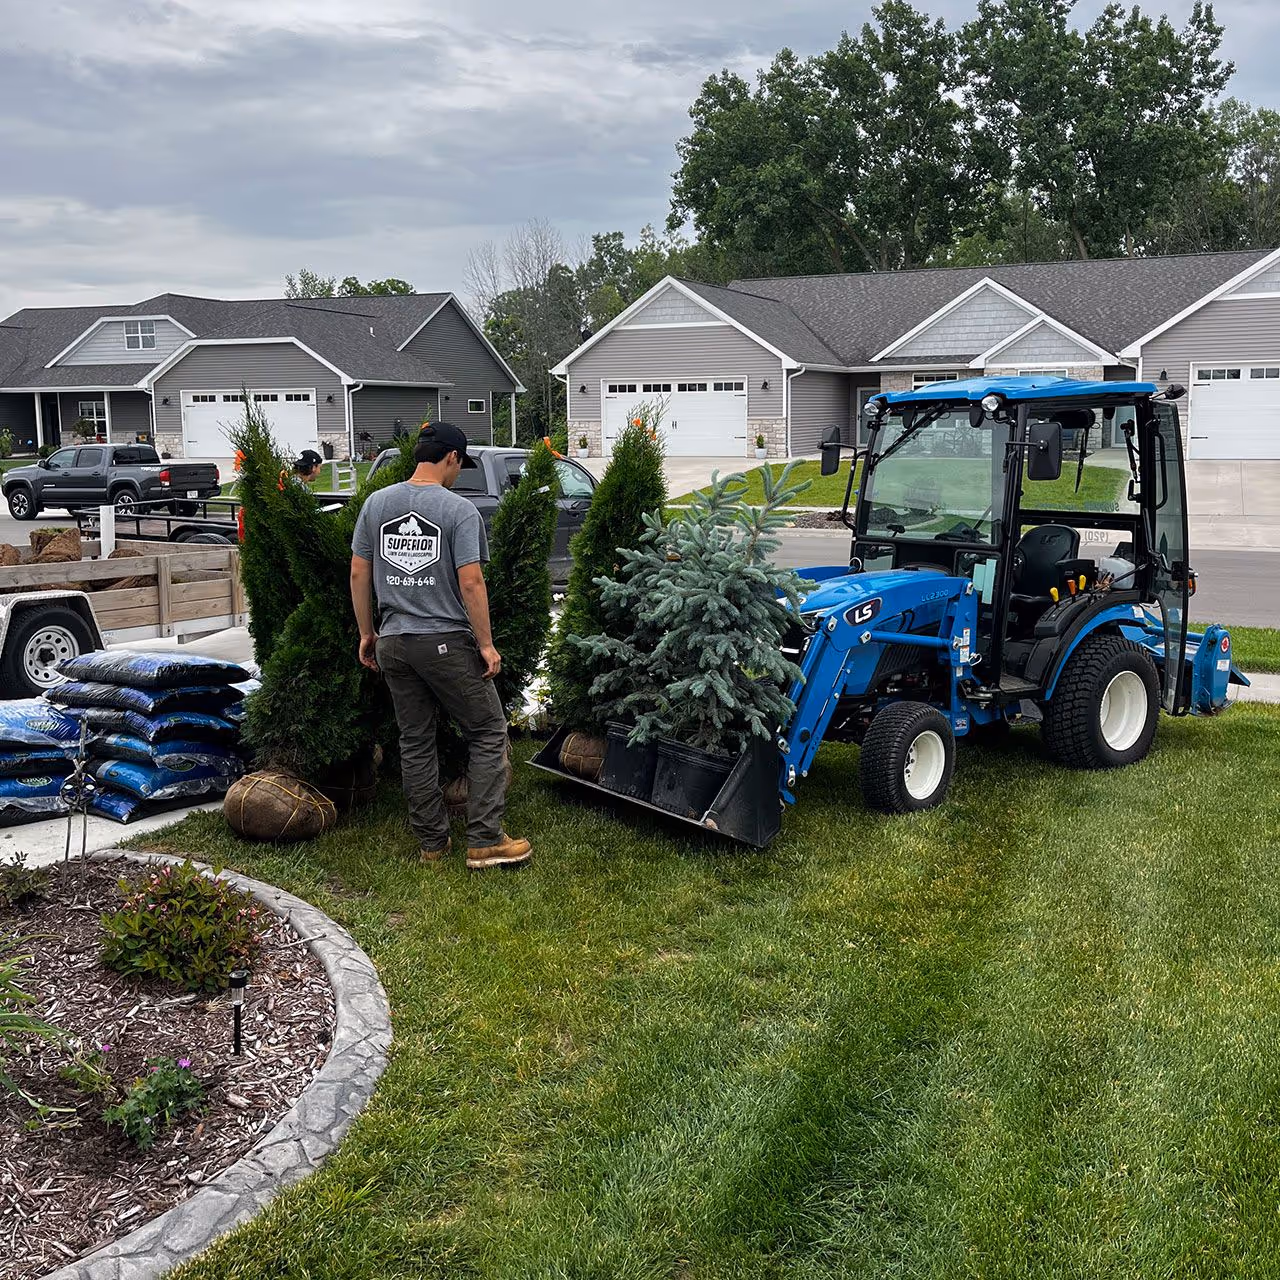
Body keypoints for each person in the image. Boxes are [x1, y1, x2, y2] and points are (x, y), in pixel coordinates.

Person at [349, 423, 531, 870]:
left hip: (393, 641)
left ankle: (432, 843)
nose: (457, 473)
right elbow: (471, 582)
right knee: (488, 731)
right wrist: (486, 644)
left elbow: (358, 573)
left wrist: (367, 633)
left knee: (414, 741)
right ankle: (485, 839)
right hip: (444, 641)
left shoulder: (376, 504)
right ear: (451, 457)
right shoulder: (459, 510)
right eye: (459, 465)